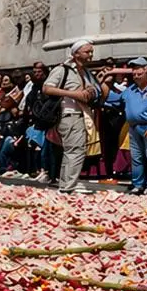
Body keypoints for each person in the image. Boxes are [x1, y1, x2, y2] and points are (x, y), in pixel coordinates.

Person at [106, 56, 147, 195]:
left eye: (139, 73)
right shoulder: (130, 90)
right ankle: (138, 184)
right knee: (136, 158)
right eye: (134, 73)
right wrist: (105, 82)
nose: (136, 76)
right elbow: (112, 98)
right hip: (133, 127)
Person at [43, 39, 101, 194]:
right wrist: (73, 94)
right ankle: (68, 187)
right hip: (69, 114)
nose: (90, 55)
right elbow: (47, 88)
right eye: (87, 52)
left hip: (82, 114)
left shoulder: (86, 72)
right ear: (76, 54)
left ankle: (66, 184)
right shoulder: (62, 70)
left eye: (91, 52)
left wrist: (91, 91)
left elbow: (95, 91)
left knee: (73, 150)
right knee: (75, 150)